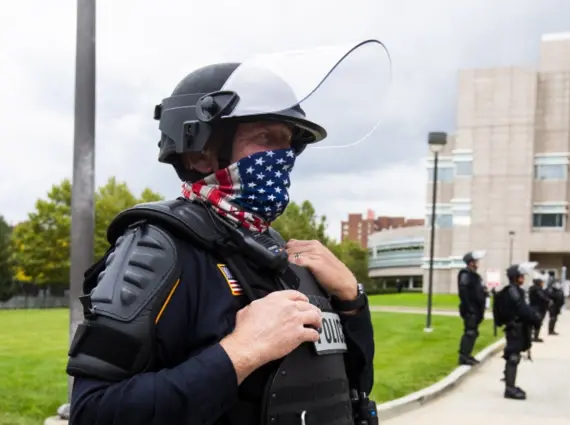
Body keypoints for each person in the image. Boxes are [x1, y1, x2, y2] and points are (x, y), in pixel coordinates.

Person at [65, 42, 387, 425]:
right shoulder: (159, 244)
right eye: (267, 138)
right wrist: (240, 352)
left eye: (289, 142)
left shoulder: (279, 252)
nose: (283, 156)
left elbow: (346, 386)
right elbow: (94, 411)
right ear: (200, 152)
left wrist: (351, 301)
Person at [493, 263, 542, 400]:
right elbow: (521, 309)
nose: (523, 278)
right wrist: (535, 317)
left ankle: (510, 384)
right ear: (515, 277)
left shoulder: (514, 290)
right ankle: (509, 389)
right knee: (513, 357)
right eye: (521, 276)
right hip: (515, 328)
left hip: (516, 327)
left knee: (514, 356)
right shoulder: (513, 291)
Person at [457, 250, 486, 366]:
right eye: (475, 261)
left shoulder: (475, 275)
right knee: (470, 332)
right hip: (470, 309)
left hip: (477, 309)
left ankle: (468, 355)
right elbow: (463, 291)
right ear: (470, 263)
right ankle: (463, 357)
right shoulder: (465, 274)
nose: (477, 263)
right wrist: (469, 308)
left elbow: (477, 290)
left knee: (474, 332)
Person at [528, 276, 552, 342]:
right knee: (538, 323)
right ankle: (535, 337)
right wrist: (548, 300)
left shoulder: (531, 289)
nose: (543, 284)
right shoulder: (538, 289)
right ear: (539, 283)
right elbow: (541, 297)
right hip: (538, 308)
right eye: (542, 282)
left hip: (532, 307)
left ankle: (529, 336)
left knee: (532, 323)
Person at [546, 271, 565, 335]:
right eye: (556, 284)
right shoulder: (551, 289)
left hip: (557, 306)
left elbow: (561, 297)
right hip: (553, 305)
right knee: (553, 318)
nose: (558, 284)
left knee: (555, 318)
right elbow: (550, 295)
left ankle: (552, 330)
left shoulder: (559, 290)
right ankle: (550, 331)